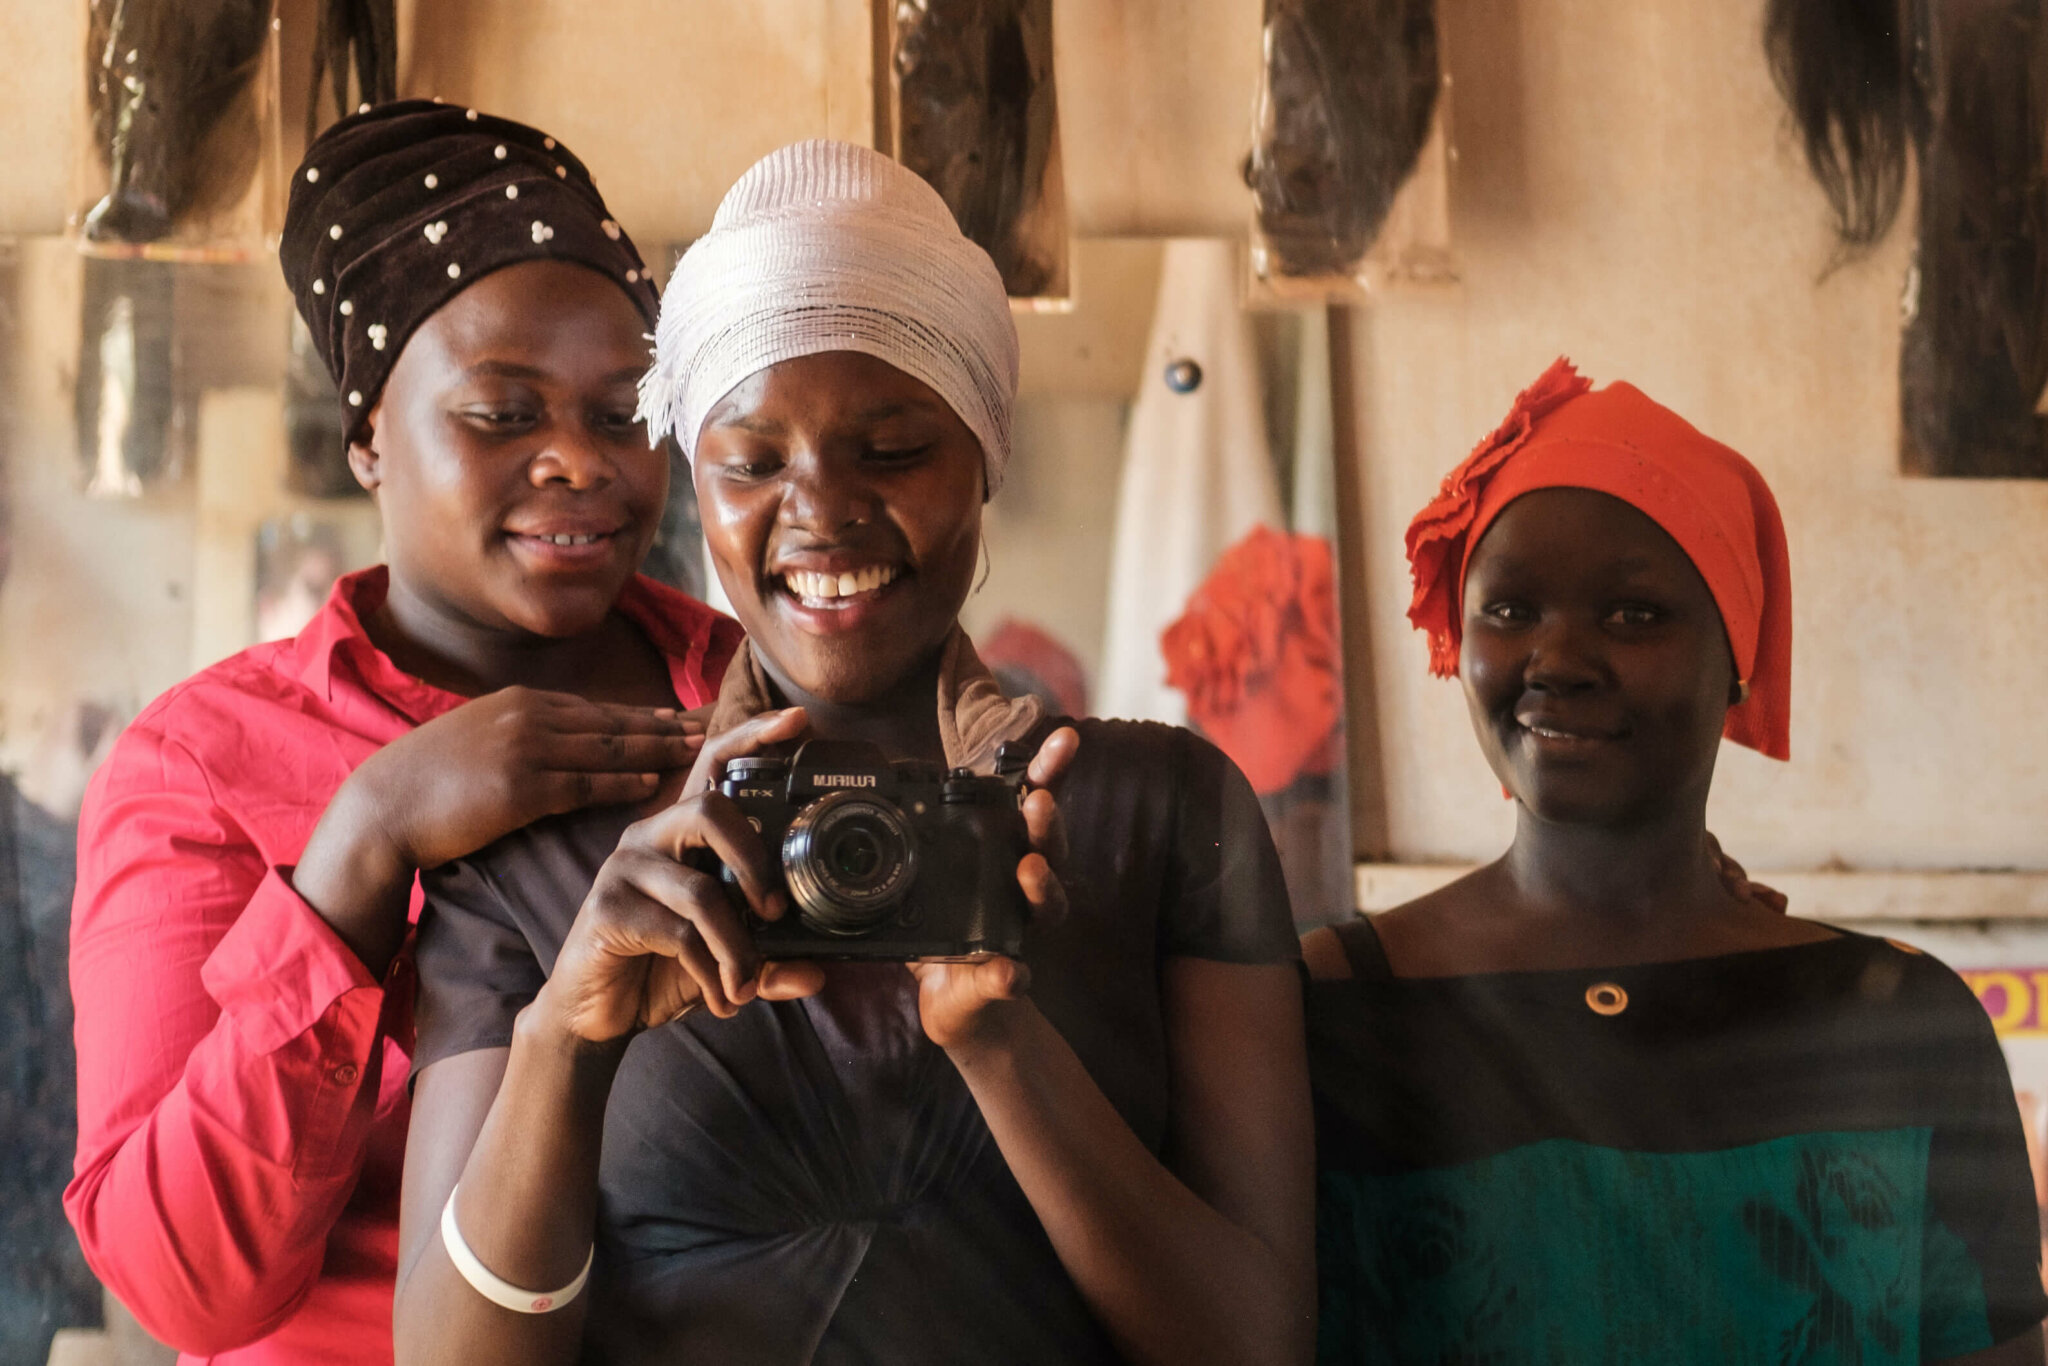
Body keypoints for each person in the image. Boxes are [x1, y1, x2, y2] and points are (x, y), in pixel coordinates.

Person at [395, 140, 1315, 1366]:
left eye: (890, 451)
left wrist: (1002, 1048)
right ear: (697, 491)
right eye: (752, 461)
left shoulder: (1161, 811)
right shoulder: (553, 854)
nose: (819, 509)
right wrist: (565, 1034)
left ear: (984, 455)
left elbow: (1255, 1349)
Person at [66, 101, 742, 1366]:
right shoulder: (203, 767)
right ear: (368, 435)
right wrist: (364, 850)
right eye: (503, 415)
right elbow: (185, 1288)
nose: (579, 466)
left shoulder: (745, 694)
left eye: (619, 414)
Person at [1302, 359, 2048, 1364]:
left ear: (1734, 654)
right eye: (1509, 610)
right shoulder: (1330, 1008)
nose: (1554, 657)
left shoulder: (1903, 1027)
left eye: (1632, 614)